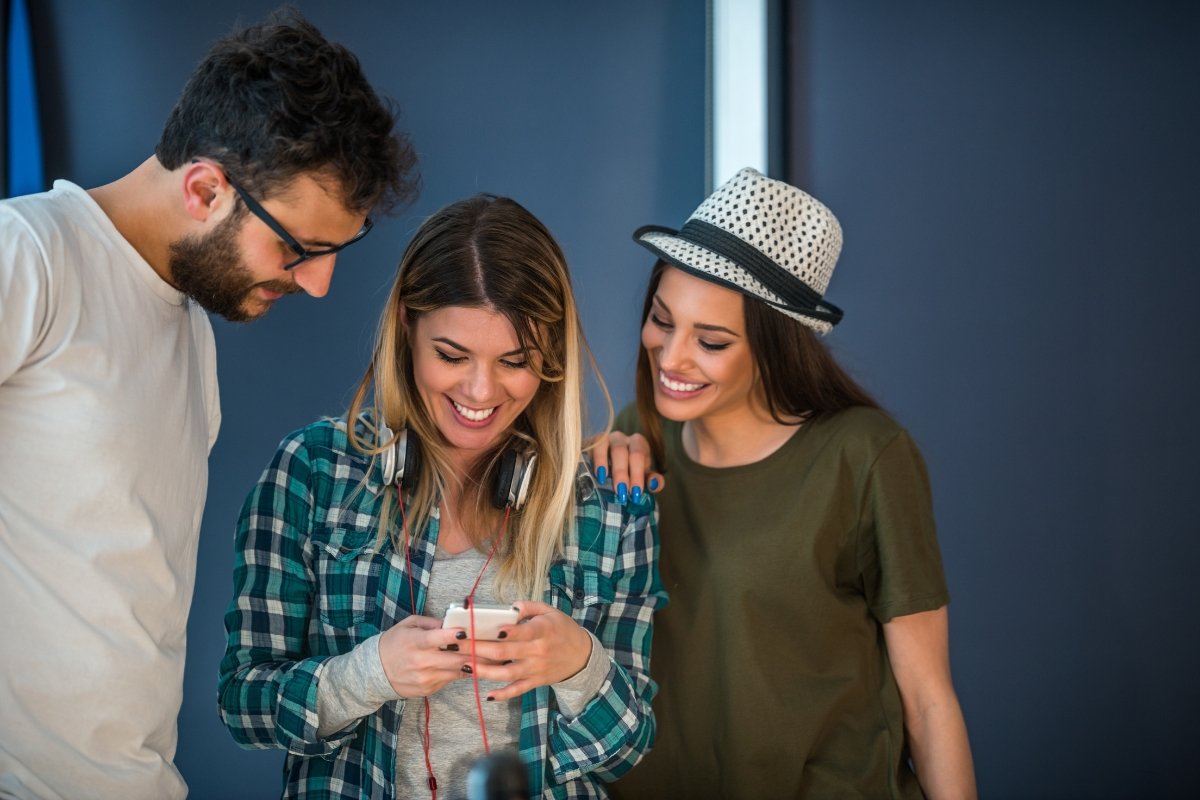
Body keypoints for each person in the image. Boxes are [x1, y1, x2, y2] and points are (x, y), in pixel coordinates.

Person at [0, 11, 417, 799]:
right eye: (300, 248)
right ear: (204, 188)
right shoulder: (29, 258)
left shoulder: (189, 329)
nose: (318, 283)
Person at [218, 194, 665, 799]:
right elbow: (244, 705)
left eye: (515, 361)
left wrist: (578, 663)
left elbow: (626, 750)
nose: (481, 390)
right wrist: (367, 674)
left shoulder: (608, 506)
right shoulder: (313, 472)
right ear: (407, 325)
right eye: (452, 355)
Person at [600, 168, 976, 799]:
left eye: (711, 341)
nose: (670, 357)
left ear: (775, 349)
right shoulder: (638, 440)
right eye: (662, 320)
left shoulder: (865, 456)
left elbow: (929, 699)